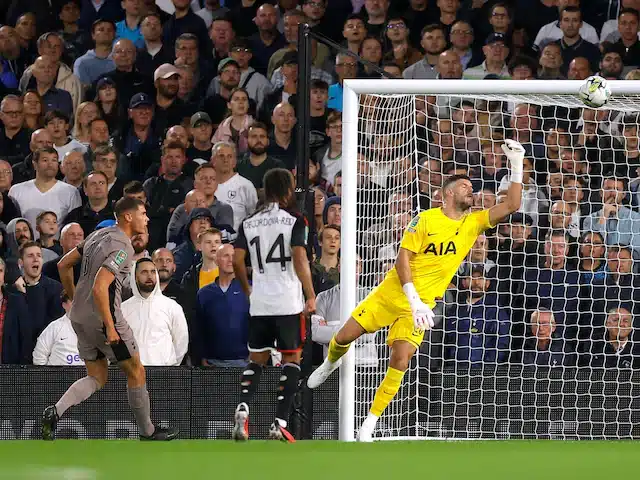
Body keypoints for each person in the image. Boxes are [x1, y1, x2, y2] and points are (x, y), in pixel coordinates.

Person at [307, 140, 525, 441]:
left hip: (421, 306)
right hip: (393, 294)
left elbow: (512, 205)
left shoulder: (474, 223)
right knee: (344, 337)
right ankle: (331, 362)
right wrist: (412, 299)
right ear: (448, 193)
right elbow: (401, 260)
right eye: (464, 186)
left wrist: (517, 165)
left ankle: (370, 423)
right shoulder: (424, 219)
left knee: (401, 359)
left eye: (471, 187)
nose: (470, 191)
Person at [42, 197, 178, 441]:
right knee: (136, 371)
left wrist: (74, 298)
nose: (146, 218)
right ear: (128, 216)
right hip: (105, 319)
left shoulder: (98, 235)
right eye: (143, 213)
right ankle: (148, 432)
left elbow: (63, 265)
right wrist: (109, 325)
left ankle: (56, 410)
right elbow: (100, 286)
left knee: (97, 376)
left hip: (78, 317)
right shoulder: (123, 246)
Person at [232, 168, 316, 442]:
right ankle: (278, 422)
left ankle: (243, 407)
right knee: (291, 361)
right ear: (288, 190)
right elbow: (299, 257)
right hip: (287, 301)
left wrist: (248, 290)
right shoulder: (295, 220)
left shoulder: (249, 222)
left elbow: (236, 260)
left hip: (260, 302)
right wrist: (310, 293)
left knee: (256, 359)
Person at [122, 258, 188, 366]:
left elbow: (181, 342)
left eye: (153, 271)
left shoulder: (172, 307)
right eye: (144, 272)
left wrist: (170, 365)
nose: (149, 276)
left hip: (164, 375)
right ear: (135, 277)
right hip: (132, 374)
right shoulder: (123, 309)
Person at [194, 243, 249, 367]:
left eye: (233, 256)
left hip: (244, 361)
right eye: (226, 256)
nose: (231, 260)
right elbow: (199, 328)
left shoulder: (248, 289)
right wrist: (202, 357)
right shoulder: (204, 293)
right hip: (212, 363)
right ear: (216, 260)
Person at [32, 291, 83, 366]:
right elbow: (39, 356)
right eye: (73, 301)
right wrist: (46, 376)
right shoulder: (55, 327)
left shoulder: (93, 327)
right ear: (64, 305)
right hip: (58, 376)